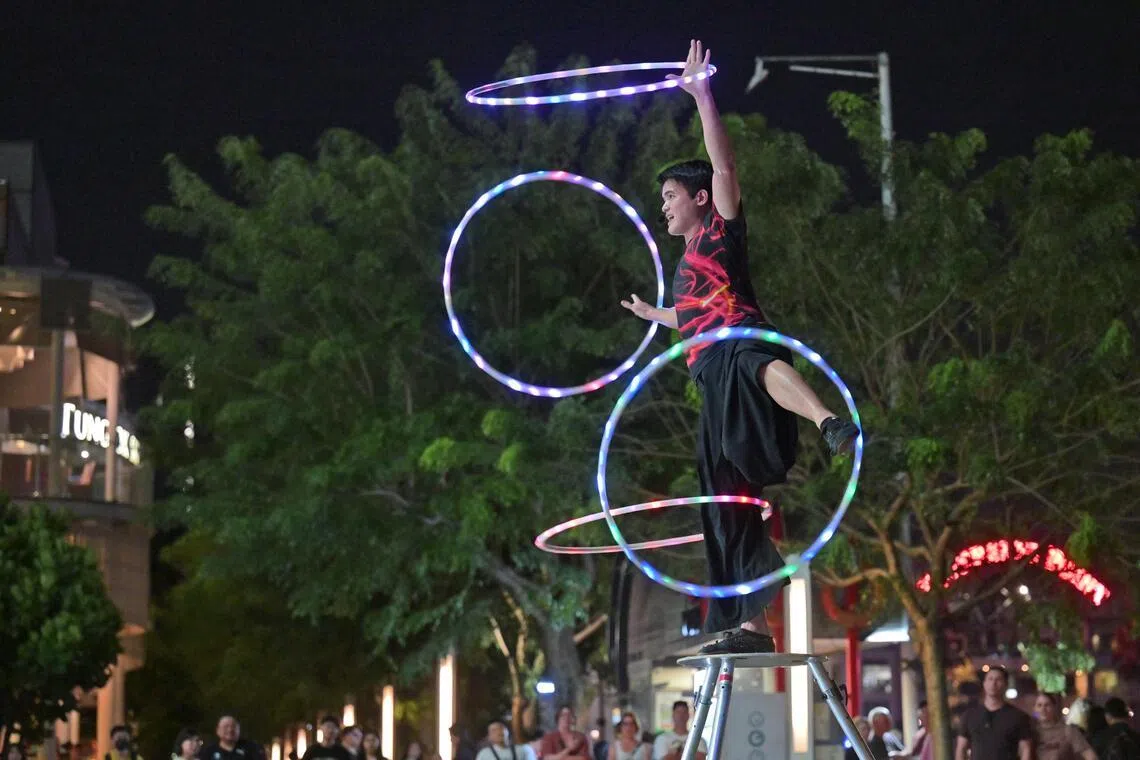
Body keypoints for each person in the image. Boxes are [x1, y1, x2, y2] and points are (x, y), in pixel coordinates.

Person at [620, 38, 860, 655]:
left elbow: (723, 168)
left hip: (736, 354)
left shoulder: (722, 230)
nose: (664, 205)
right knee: (722, 507)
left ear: (699, 199)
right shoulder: (685, 264)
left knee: (753, 361)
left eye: (671, 195)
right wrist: (660, 315)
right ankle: (749, 627)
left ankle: (830, 419)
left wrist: (702, 95)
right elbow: (696, 317)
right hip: (708, 382)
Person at [955, 667, 1033, 760]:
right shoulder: (969, 716)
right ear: (984, 684)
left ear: (1006, 684)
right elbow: (961, 748)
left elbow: (1026, 749)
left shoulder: (1018, 716)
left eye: (998, 680)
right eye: (990, 679)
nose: (993, 683)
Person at [1034, 693, 1096, 760]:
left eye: (1047, 705)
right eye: (1039, 705)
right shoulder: (1032, 732)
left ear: (1054, 707)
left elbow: (1090, 755)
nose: (1043, 709)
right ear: (1035, 708)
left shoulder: (1068, 730)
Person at [200, 716, 265, 760]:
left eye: (233, 726)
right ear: (218, 730)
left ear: (239, 730)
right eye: (226, 727)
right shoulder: (209, 751)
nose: (230, 730)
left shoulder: (252, 748)